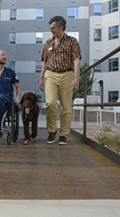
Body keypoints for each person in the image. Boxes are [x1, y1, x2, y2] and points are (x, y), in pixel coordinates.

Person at [38, 16, 81, 145]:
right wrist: (41, 79)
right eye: (50, 28)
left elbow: (77, 60)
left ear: (61, 28)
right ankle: (52, 132)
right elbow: (45, 62)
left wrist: (76, 78)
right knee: (50, 103)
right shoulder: (48, 43)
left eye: (53, 28)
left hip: (66, 75)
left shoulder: (72, 42)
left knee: (66, 107)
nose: (51, 30)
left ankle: (63, 135)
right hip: (50, 75)